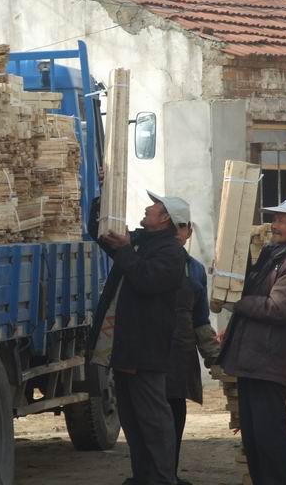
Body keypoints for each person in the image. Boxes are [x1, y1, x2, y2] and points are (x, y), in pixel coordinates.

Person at [87, 190, 188, 485]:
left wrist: (126, 250)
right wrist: (103, 195)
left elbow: (146, 280)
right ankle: (143, 477)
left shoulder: (171, 253)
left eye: (154, 206)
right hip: (127, 348)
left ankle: (162, 478)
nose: (147, 208)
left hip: (146, 352)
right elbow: (100, 233)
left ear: (165, 218)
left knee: (153, 421)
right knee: (132, 421)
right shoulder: (141, 241)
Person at [217, 196, 286, 485]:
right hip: (254, 362)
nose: (274, 225)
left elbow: (279, 309)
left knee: (269, 439)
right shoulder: (274, 256)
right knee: (254, 439)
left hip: (269, 364)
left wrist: (237, 303)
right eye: (274, 219)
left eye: (282, 221)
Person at [165, 222, 220, 485]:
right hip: (149, 355)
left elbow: (200, 319)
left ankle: (169, 474)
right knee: (149, 419)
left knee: (176, 413)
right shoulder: (148, 264)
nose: (177, 233)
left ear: (189, 233)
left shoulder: (195, 269)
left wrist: (214, 358)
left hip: (180, 354)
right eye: (172, 226)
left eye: (182, 227)